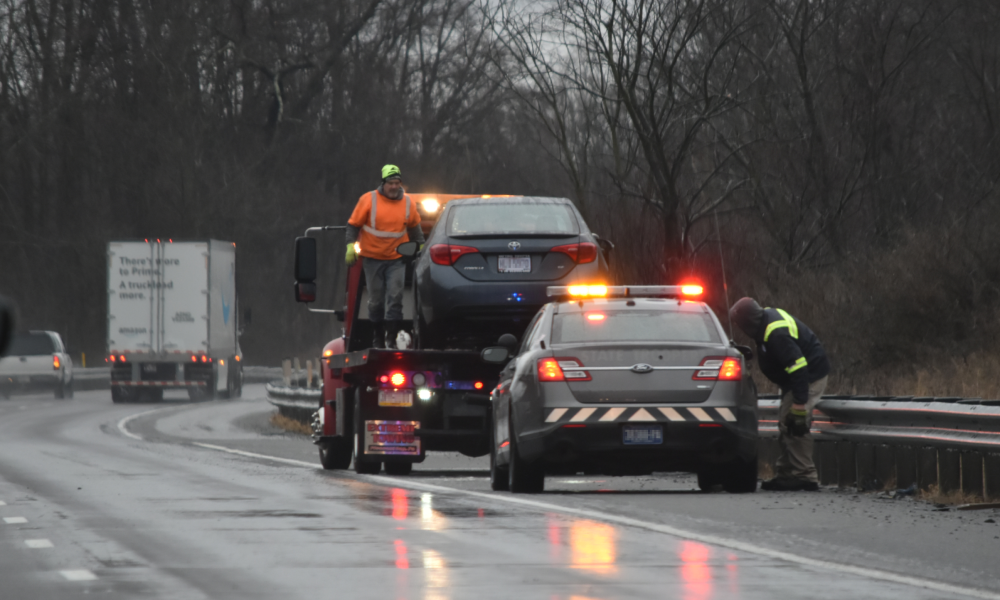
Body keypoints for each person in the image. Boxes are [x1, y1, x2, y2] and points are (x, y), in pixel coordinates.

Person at [730, 298, 831, 491]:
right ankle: (786, 473)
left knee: (794, 424)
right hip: (795, 379)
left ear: (748, 322)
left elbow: (799, 367)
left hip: (808, 377)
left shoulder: (776, 333)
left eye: (739, 324)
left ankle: (805, 476)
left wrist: (800, 404)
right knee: (786, 423)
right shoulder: (765, 320)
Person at [345, 165, 424, 348]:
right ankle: (378, 335)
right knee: (375, 300)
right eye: (391, 183)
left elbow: (415, 230)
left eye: (397, 183)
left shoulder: (408, 203)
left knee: (395, 298)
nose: (394, 187)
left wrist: (421, 248)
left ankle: (391, 338)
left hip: (396, 260)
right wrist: (350, 246)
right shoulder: (368, 200)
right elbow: (353, 225)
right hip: (372, 259)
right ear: (383, 184)